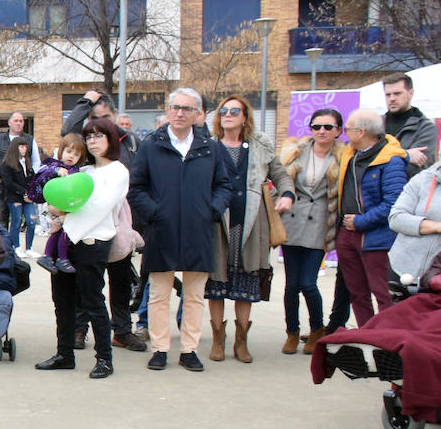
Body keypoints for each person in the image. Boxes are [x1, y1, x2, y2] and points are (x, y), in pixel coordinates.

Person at [128, 87, 233, 372]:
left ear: (198, 113)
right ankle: (160, 348)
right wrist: (155, 213)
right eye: (175, 107)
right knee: (159, 294)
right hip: (162, 230)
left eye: (187, 108)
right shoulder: (152, 145)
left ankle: (189, 350)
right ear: (168, 110)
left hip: (199, 230)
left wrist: (212, 210)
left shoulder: (211, 148)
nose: (179, 113)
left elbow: (224, 185)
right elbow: (136, 188)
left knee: (194, 295)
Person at [35, 118, 130, 379]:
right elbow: (54, 199)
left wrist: (64, 218)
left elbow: (98, 209)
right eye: (89, 137)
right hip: (66, 243)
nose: (92, 141)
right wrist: (53, 211)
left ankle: (104, 359)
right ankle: (65, 353)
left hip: (92, 244)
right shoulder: (84, 171)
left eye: (99, 136)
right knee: (62, 302)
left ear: (111, 139)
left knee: (92, 302)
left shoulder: (118, 171)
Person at [204, 95, 296, 364]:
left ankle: (241, 342)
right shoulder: (209, 146)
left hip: (252, 221)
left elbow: (279, 173)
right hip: (218, 222)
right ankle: (218, 340)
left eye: (235, 110)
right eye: (224, 111)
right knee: (217, 279)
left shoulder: (260, 145)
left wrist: (287, 193)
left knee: (246, 278)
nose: (228, 114)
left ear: (245, 117)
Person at [278, 107, 348, 354]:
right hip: (292, 222)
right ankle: (292, 332)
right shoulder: (295, 152)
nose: (321, 131)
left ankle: (317, 329)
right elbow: (280, 181)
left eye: (328, 127)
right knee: (290, 285)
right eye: (316, 126)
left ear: (338, 131)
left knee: (308, 283)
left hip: (319, 225)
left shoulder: (344, 157)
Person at [338, 109, 408, 325]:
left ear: (361, 132)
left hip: (376, 238)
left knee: (383, 295)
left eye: (347, 129)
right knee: (357, 295)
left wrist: (360, 222)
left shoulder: (391, 160)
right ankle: (367, 338)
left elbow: (394, 203)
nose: (344, 133)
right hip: (347, 236)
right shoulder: (350, 155)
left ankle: (387, 343)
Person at [29, 133, 90, 275]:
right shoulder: (54, 165)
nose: (71, 156)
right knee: (61, 231)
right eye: (69, 151)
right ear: (61, 150)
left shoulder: (76, 171)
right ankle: (61, 258)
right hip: (56, 206)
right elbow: (42, 175)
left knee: (60, 231)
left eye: (76, 154)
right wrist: (56, 171)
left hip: (68, 207)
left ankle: (49, 256)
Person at [388, 159, 441, 286]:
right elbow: (396, 218)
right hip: (401, 268)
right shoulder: (422, 179)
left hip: (436, 278)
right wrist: (436, 227)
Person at [382, 72, 437, 176]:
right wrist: (406, 155)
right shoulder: (375, 125)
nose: (392, 98)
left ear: (410, 93)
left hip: (409, 190)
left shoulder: (425, 128)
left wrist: (379, 159)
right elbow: (362, 159)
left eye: (397, 93)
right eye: (388, 94)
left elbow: (414, 170)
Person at [0, 136, 37, 256]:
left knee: (31, 221)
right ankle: (16, 246)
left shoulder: (27, 163)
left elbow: (32, 179)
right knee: (16, 220)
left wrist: (31, 194)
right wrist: (24, 192)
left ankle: (29, 248)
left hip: (27, 197)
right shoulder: (6, 164)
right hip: (14, 197)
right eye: (22, 146)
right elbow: (8, 182)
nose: (24, 149)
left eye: (25, 146)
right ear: (15, 148)